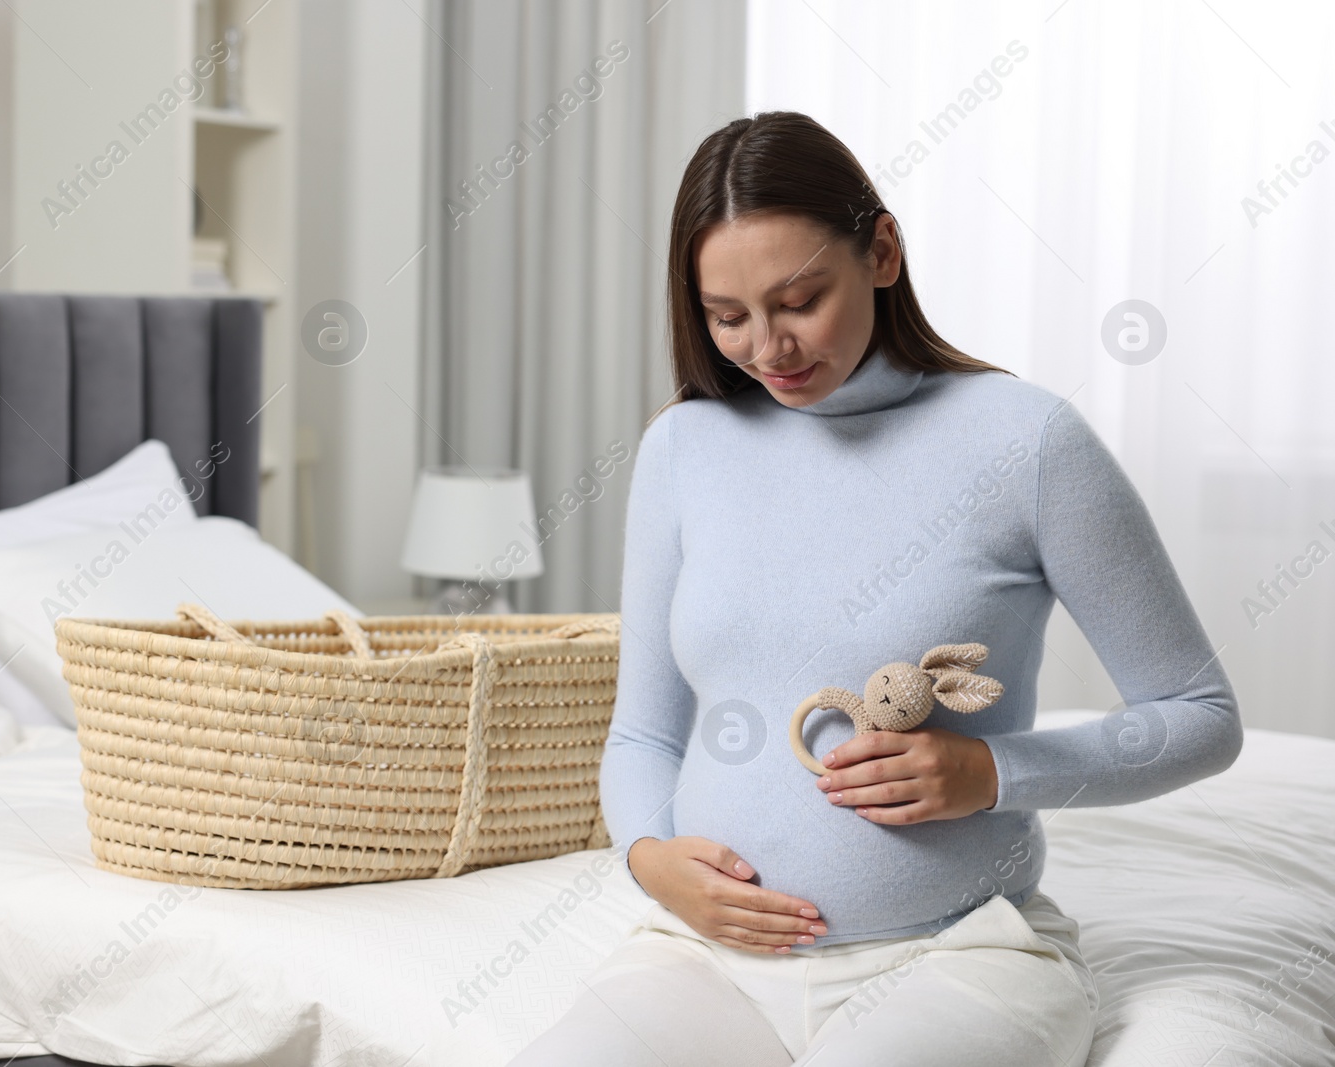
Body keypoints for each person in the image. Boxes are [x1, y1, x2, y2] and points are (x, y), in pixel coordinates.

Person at [510, 111, 1241, 1067]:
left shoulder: (1028, 442)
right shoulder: (684, 448)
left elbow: (1198, 715)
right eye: (727, 317)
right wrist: (650, 858)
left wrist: (992, 773)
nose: (767, 348)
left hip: (959, 953)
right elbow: (644, 732)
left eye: (799, 299)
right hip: (708, 958)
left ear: (882, 252)